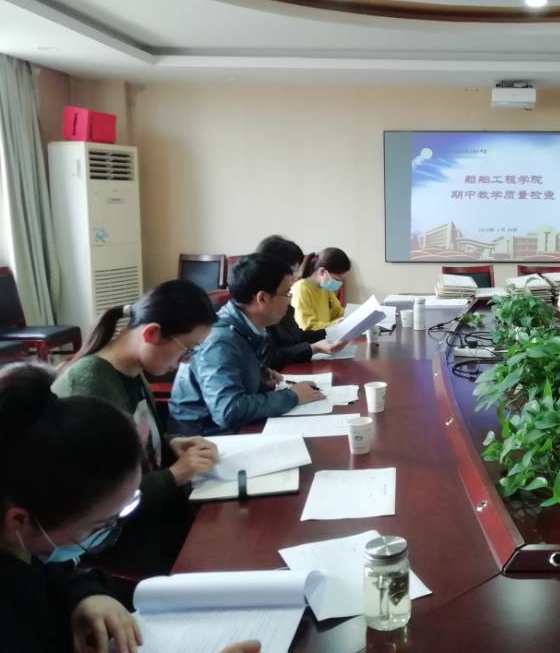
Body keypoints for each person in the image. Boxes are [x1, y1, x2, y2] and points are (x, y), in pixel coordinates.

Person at [0, 364, 261, 653]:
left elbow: (55, 572)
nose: (112, 527)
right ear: (19, 521)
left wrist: (86, 595)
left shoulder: (29, 538)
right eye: (99, 525)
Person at [52, 280, 220, 575]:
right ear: (152, 333)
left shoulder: (132, 369)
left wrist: (170, 443)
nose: (183, 362)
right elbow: (101, 498)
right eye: (187, 350)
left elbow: (135, 439)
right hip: (114, 538)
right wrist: (175, 475)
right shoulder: (91, 383)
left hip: (152, 515)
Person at [169, 253, 324, 436]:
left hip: (229, 429)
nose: (289, 301)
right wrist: (292, 396)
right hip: (203, 438)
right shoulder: (220, 340)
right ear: (262, 299)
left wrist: (258, 380)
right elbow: (227, 410)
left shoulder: (248, 327)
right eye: (286, 294)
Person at [254, 235, 349, 368]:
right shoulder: (262, 303)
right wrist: (314, 348)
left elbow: (297, 336)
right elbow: (268, 357)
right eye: (292, 271)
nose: (296, 277)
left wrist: (332, 331)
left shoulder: (281, 296)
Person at [290, 247, 350, 331]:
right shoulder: (301, 289)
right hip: (311, 338)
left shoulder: (325, 288)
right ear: (322, 272)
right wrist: (336, 324)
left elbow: (338, 312)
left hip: (325, 335)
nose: (339, 284)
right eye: (336, 279)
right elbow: (307, 327)